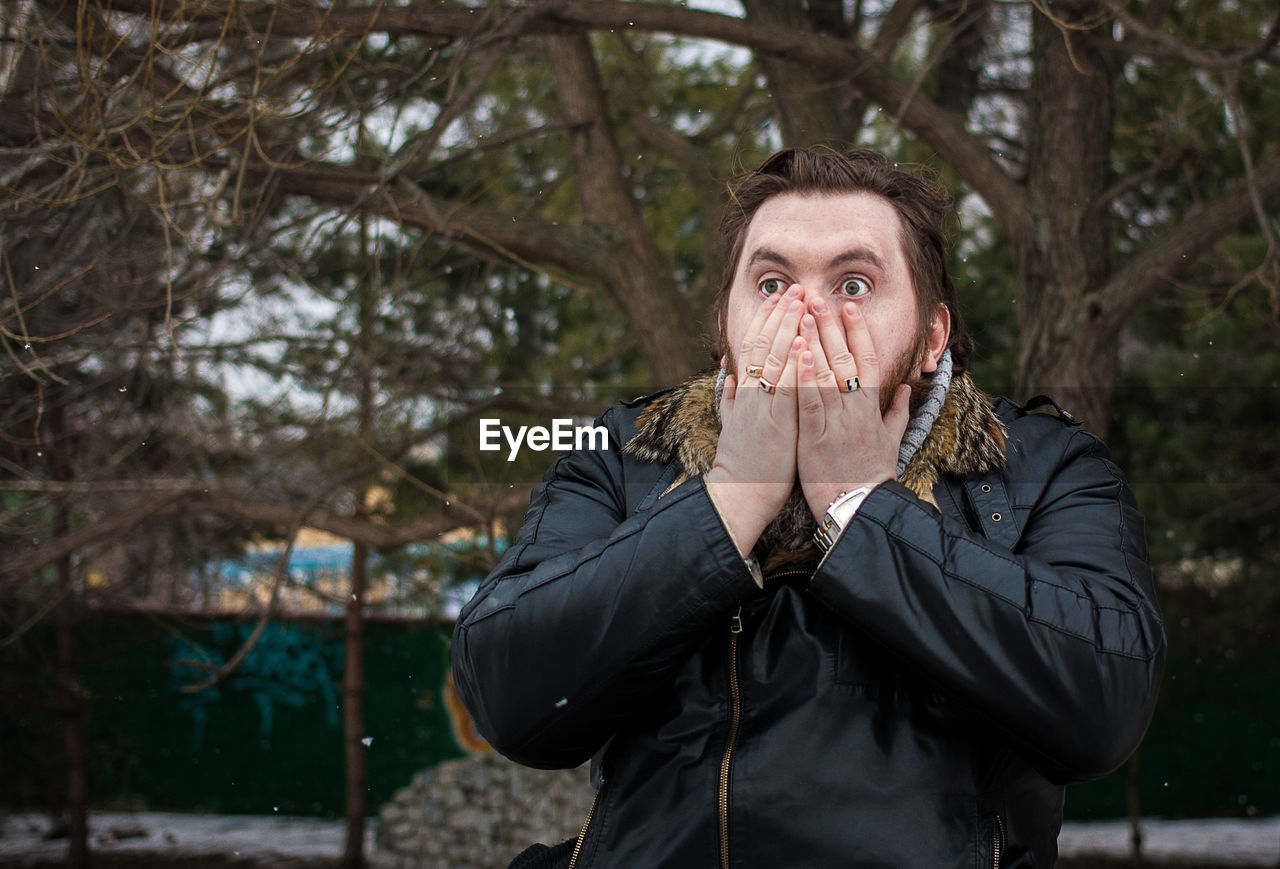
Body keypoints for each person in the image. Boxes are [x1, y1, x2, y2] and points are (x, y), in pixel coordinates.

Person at [452, 147, 1165, 868]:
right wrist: (729, 498)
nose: (808, 316)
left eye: (854, 283)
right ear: (723, 331)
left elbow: (1103, 707)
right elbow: (511, 699)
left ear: (932, 336)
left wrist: (863, 505)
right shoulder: (624, 458)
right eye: (771, 284)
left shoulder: (1040, 468)